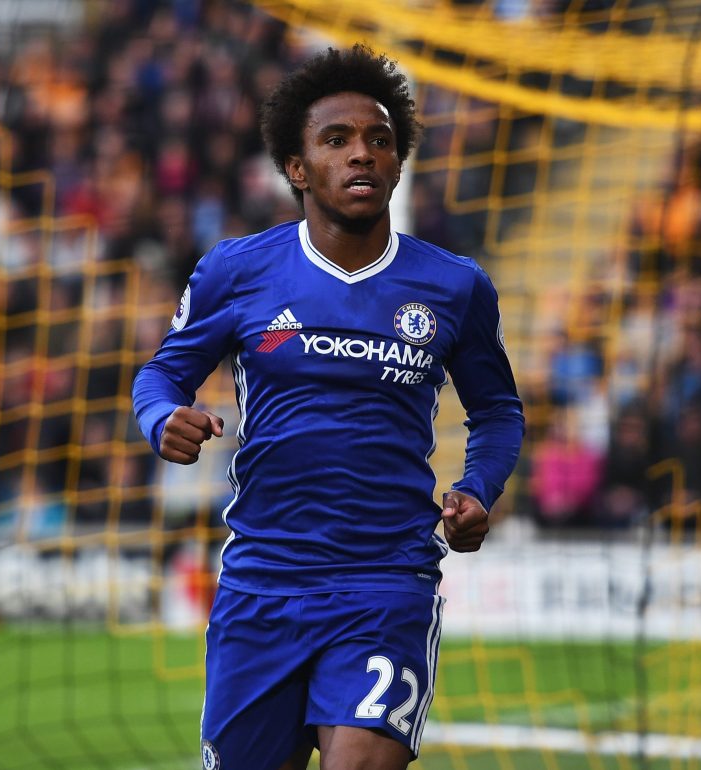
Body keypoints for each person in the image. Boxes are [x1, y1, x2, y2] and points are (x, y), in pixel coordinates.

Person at [132, 45, 524, 770]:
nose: (363, 156)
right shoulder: (237, 270)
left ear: (400, 163)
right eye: (337, 141)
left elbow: (498, 410)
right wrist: (162, 422)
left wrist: (477, 488)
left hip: (387, 582)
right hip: (263, 582)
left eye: (379, 140)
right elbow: (161, 376)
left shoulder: (454, 286)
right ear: (297, 167)